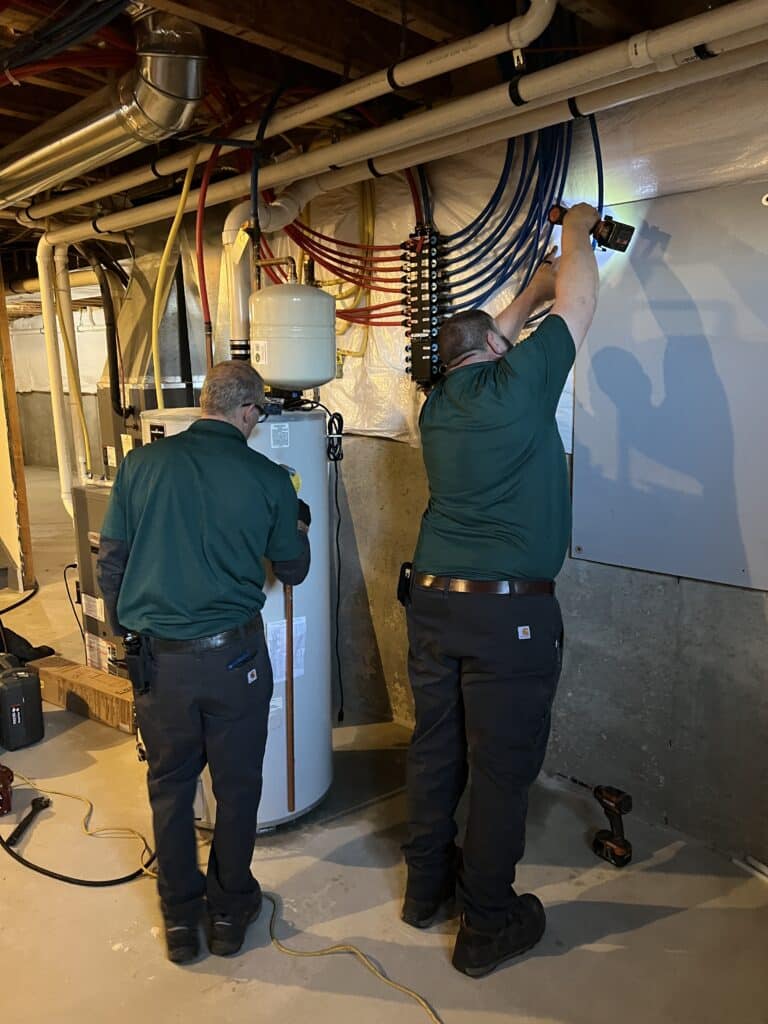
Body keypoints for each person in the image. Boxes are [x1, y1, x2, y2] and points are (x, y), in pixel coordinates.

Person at [400, 203, 600, 978]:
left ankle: (426, 892)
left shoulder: (438, 406)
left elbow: (486, 338)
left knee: (435, 747)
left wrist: (527, 290)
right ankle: (486, 924)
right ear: (495, 350)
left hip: (434, 605)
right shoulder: (519, 388)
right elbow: (579, 307)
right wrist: (575, 238)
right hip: (505, 617)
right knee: (501, 768)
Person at [97, 360, 311, 964]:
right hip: (233, 661)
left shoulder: (141, 465)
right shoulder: (267, 477)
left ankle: (180, 921)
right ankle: (228, 911)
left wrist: (125, 638)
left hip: (158, 665)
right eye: (259, 413)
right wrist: (297, 522)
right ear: (247, 411)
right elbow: (293, 569)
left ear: (205, 405)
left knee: (170, 787)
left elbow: (110, 561)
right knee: (238, 787)